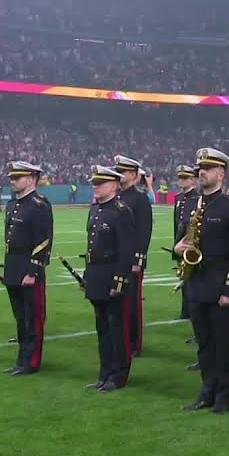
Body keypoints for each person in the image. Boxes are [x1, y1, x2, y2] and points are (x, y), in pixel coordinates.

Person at [177, 148, 229, 413]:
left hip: (220, 286)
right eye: (200, 168)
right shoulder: (195, 204)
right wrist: (179, 248)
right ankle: (206, 391)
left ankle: (223, 396)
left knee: (222, 345)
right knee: (204, 344)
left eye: (207, 168)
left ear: (221, 174)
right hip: (197, 283)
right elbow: (185, 240)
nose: (201, 172)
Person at [83, 165, 137, 393]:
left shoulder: (121, 211)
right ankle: (104, 373)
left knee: (117, 330)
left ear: (114, 185)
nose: (96, 186)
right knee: (102, 329)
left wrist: (119, 281)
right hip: (96, 274)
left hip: (112, 275)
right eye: (95, 183)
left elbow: (126, 250)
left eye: (101, 183)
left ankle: (119, 375)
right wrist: (87, 276)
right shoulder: (96, 210)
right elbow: (91, 246)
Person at [2, 160, 53, 375]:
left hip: (28, 270)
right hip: (13, 267)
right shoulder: (13, 205)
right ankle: (21, 360)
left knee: (32, 318)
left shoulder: (39, 205)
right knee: (20, 318)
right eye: (12, 178)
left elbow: (43, 241)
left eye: (17, 177)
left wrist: (33, 271)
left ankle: (31, 361)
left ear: (31, 179)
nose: (13, 181)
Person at [114, 155, 153, 358]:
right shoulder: (117, 197)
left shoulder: (140, 199)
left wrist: (138, 261)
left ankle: (134, 342)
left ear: (134, 175)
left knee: (132, 301)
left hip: (131, 260)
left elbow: (143, 232)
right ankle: (121, 338)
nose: (119, 175)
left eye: (123, 171)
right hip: (116, 258)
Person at [172, 165, 200, 344]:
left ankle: (191, 311)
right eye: (180, 178)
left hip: (190, 242)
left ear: (192, 180)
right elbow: (177, 223)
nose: (181, 181)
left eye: (185, 178)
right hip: (180, 241)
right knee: (183, 276)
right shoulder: (179, 198)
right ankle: (186, 310)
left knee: (192, 279)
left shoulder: (195, 197)